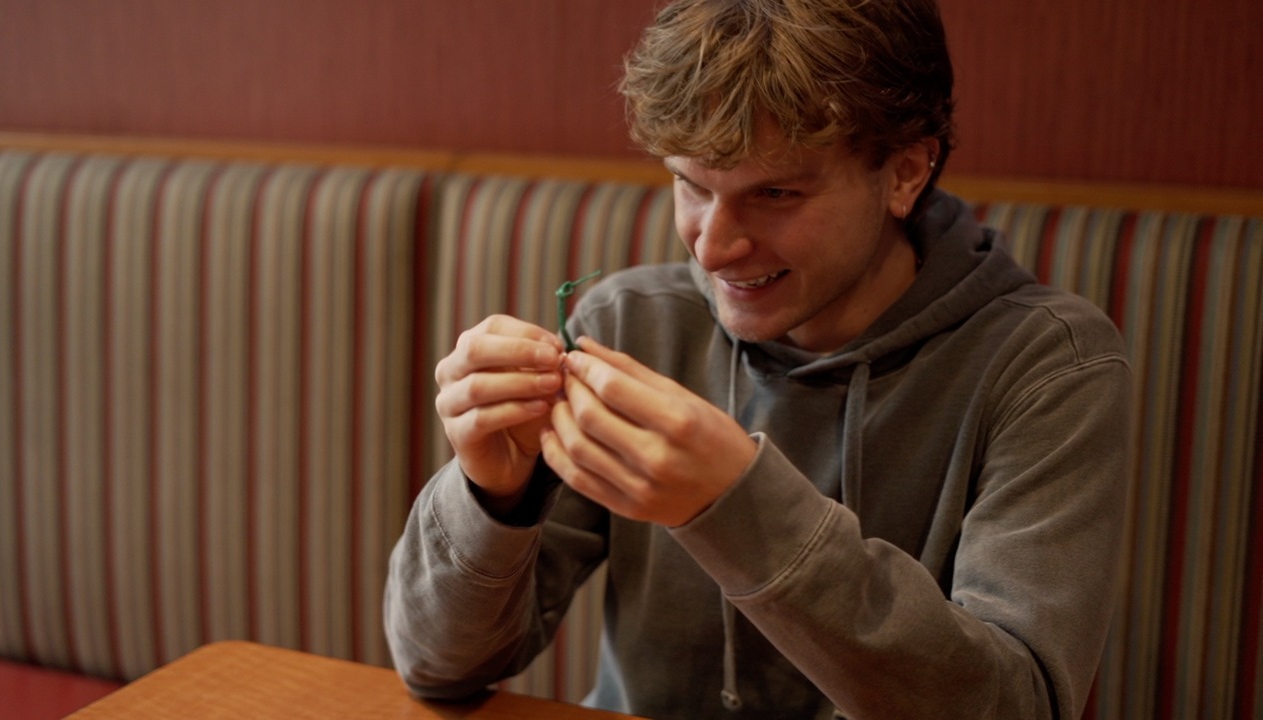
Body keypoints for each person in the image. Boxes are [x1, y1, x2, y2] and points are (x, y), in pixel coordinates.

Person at [384, 0, 1131, 718]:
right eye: (690, 184)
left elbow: (1015, 705)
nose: (712, 248)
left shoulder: (1048, 365)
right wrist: (490, 496)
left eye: (774, 192)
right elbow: (437, 669)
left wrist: (737, 506)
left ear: (905, 173)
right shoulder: (632, 324)